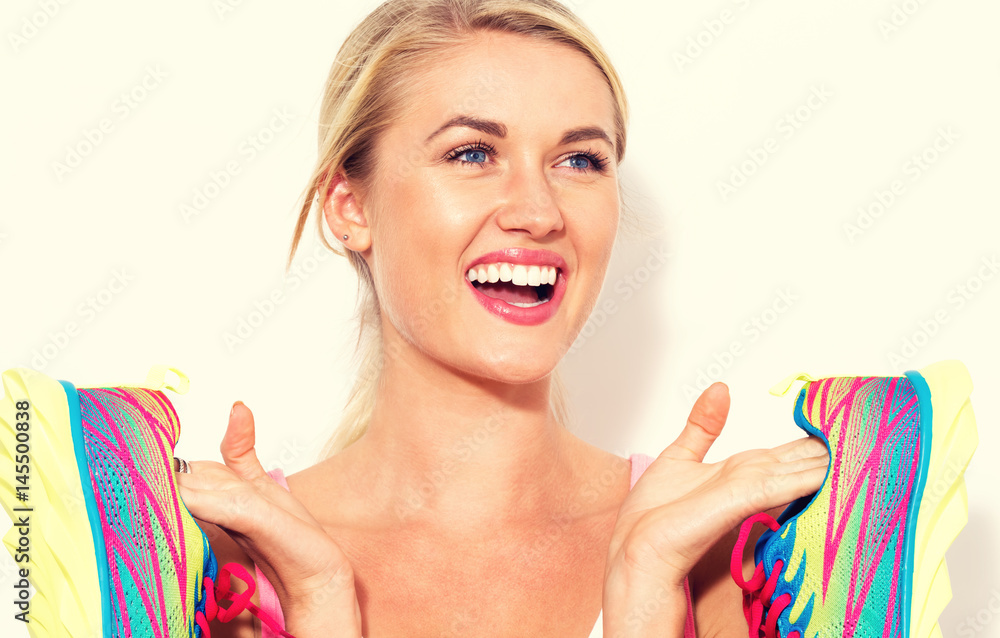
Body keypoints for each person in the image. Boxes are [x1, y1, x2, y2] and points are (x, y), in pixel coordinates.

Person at [176, 0, 829, 635]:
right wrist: (320, 604)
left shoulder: (714, 554)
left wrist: (645, 589)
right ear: (351, 207)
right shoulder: (218, 563)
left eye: (580, 160)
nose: (539, 212)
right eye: (471, 154)